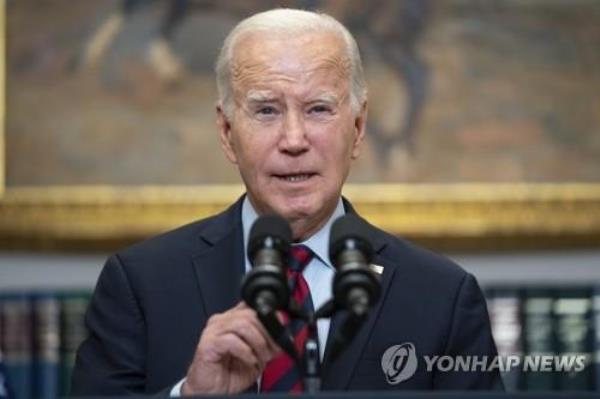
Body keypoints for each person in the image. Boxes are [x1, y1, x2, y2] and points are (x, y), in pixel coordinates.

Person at [71, 8, 503, 395]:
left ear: (358, 126)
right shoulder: (138, 284)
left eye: (318, 109)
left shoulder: (442, 295)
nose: (293, 140)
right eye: (266, 111)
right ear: (226, 133)